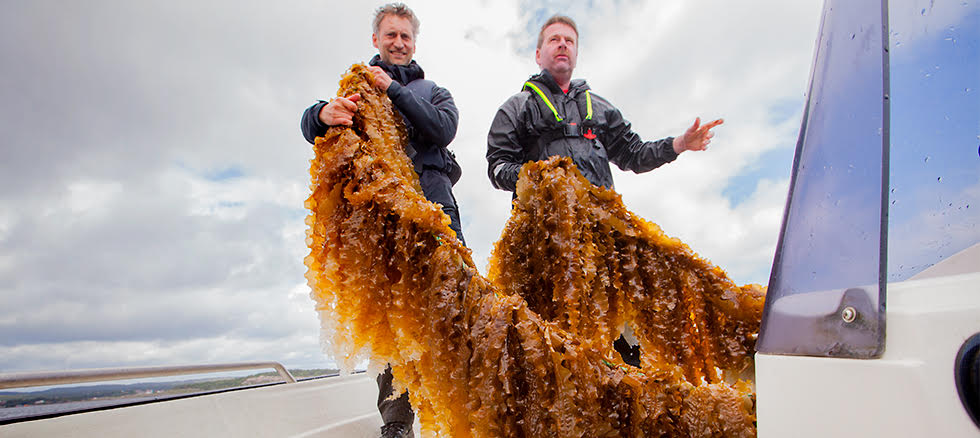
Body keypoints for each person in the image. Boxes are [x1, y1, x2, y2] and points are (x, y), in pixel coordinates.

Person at [485, 14, 722, 367]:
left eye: (569, 40)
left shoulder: (600, 107)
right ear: (538, 54)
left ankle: (630, 396)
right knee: (551, 339)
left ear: (576, 53)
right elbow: (498, 167)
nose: (562, 44)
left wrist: (678, 144)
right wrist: (537, 176)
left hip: (605, 239)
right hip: (544, 241)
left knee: (623, 331)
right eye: (554, 39)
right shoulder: (517, 108)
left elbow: (634, 154)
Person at [301, 4, 463, 438]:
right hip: (382, 225)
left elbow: (442, 130)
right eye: (390, 35)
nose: (398, 42)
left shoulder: (434, 92)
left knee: (450, 311)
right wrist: (319, 115)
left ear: (414, 42)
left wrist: (393, 89)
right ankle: (396, 422)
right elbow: (316, 120)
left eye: (405, 36)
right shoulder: (359, 84)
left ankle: (457, 411)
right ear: (376, 39)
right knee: (391, 321)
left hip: (436, 216)